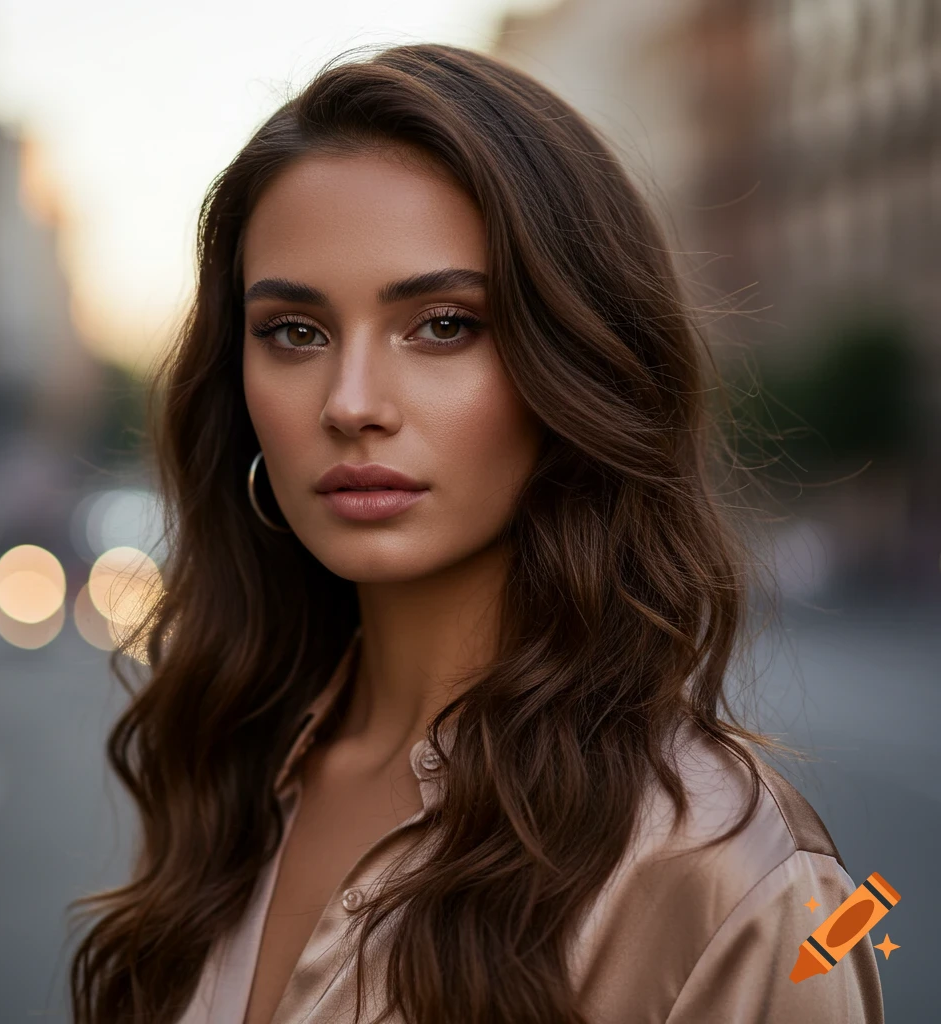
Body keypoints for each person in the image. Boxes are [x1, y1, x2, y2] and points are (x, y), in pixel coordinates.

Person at [68, 42, 886, 1024]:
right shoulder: (230, 762)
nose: (351, 403)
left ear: (575, 366)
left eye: (443, 324)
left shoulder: (729, 880)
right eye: (295, 331)